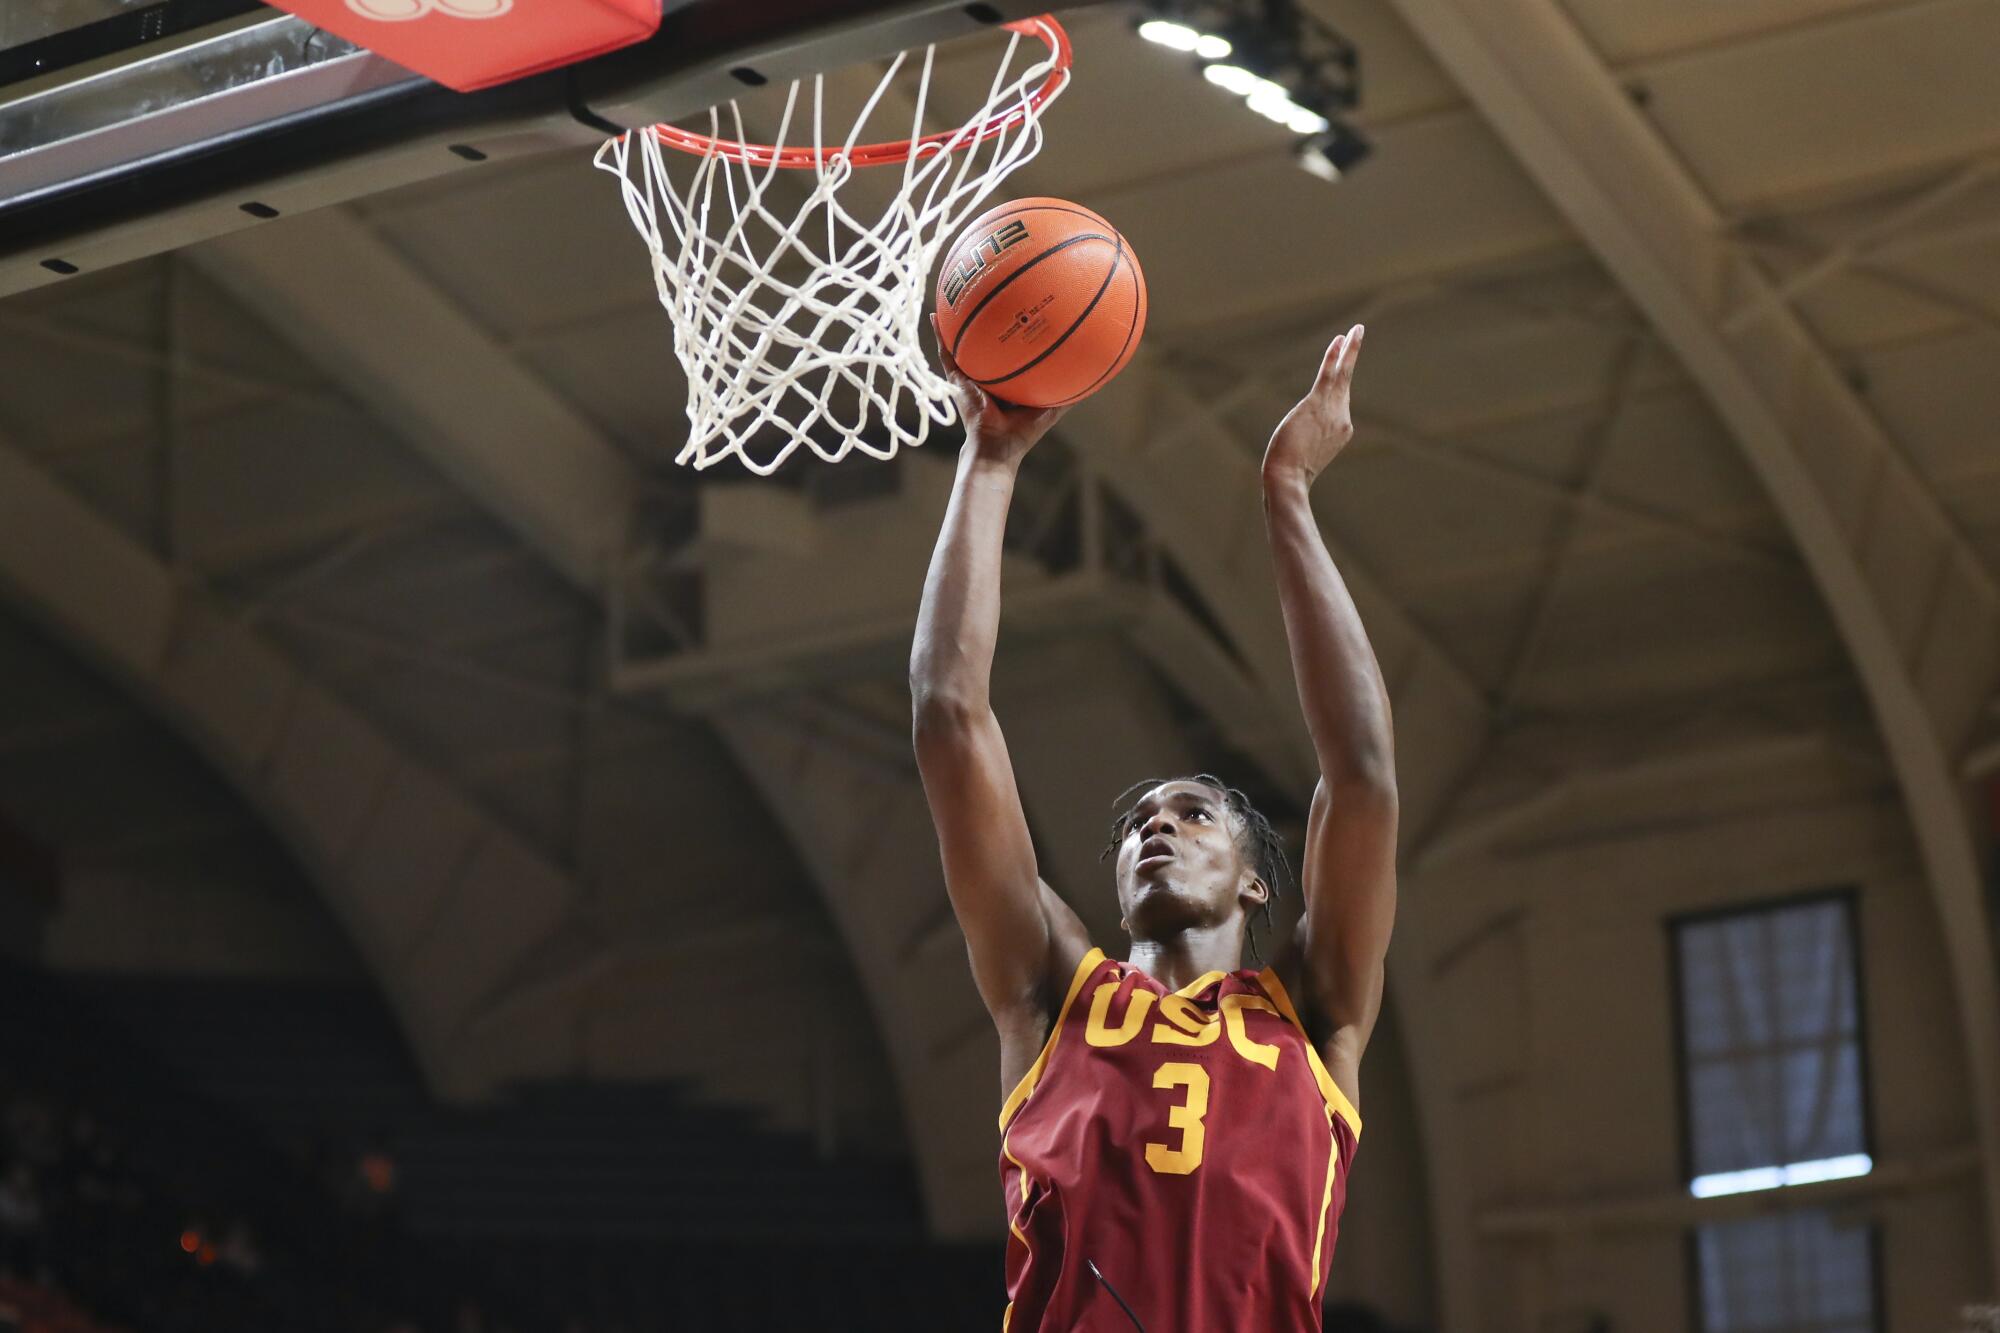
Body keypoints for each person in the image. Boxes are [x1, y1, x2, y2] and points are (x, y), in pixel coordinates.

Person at [910, 320, 1397, 1332]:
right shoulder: (1053, 993)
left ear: (1256, 880)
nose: (1153, 827)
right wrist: (990, 461)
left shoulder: (1313, 1012)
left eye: (1190, 812)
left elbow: (1360, 777)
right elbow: (948, 717)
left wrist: (1287, 496)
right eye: (1136, 821)